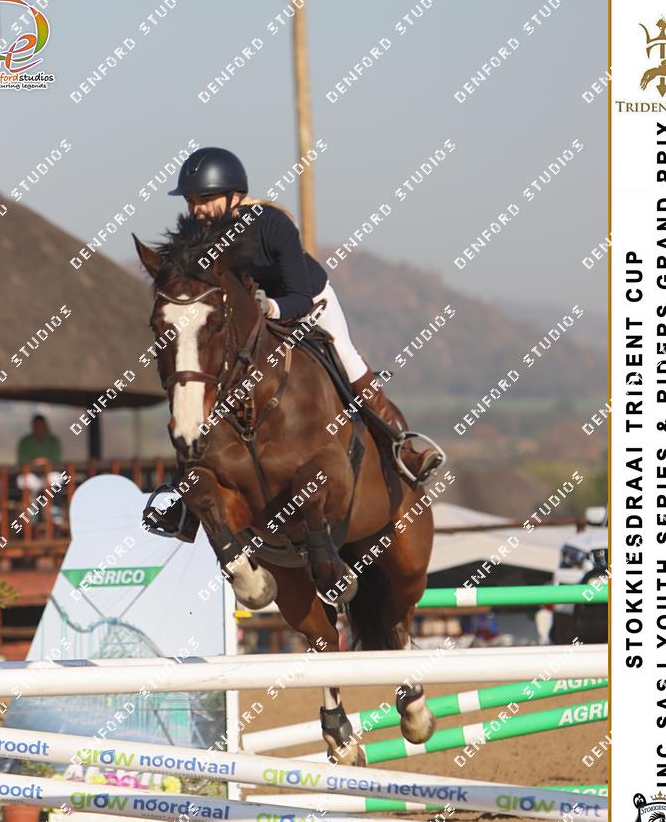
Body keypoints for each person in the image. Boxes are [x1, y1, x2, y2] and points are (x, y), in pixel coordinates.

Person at [144, 147, 445, 541]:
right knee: (205, 383)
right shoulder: (198, 238)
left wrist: (270, 307)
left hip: (306, 302)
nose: (196, 209)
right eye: (191, 201)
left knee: (345, 355)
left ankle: (401, 447)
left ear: (235, 195)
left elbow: (300, 296)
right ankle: (188, 500)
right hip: (252, 320)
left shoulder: (272, 225)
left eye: (205, 199)